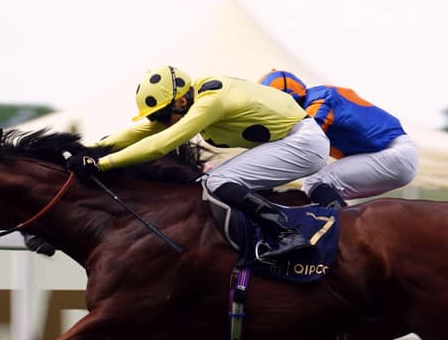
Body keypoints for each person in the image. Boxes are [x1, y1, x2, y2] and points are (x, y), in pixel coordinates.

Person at [65, 65, 330, 260]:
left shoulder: (210, 102)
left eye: (162, 114)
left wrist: (103, 164)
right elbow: (142, 131)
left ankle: (288, 234)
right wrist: (90, 149)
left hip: (303, 143)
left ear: (180, 101)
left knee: (218, 180)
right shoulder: (190, 98)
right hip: (292, 141)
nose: (159, 121)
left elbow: (161, 143)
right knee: (212, 180)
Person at [258, 70, 418, 207]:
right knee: (319, 191)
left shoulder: (319, 101)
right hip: (392, 154)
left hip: (394, 154)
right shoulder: (318, 97)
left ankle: (342, 234)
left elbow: (298, 145)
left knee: (315, 182)